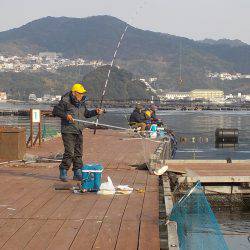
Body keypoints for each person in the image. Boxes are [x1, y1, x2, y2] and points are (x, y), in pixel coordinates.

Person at [52, 83, 104, 182]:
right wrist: (66, 116)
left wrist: (95, 112)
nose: (81, 95)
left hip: (78, 130)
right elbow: (55, 111)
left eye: (82, 93)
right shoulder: (65, 101)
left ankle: (77, 172)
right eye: (80, 93)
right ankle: (63, 170)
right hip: (68, 130)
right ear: (74, 92)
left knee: (78, 153)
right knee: (70, 152)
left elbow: (86, 114)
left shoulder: (82, 102)